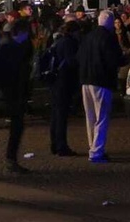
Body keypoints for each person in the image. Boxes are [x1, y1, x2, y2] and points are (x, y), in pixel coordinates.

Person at [77, 9, 125, 163]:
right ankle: (96, 152)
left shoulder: (88, 37)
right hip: (102, 81)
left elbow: (79, 57)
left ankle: (93, 146)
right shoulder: (108, 38)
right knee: (102, 117)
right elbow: (114, 59)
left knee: (90, 116)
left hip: (86, 80)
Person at [0, 18, 34, 173]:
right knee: (16, 126)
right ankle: (11, 159)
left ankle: (11, 158)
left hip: (14, 92)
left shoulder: (11, 47)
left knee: (17, 126)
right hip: (12, 93)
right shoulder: (9, 49)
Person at [48, 19, 81, 156]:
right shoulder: (69, 43)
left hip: (56, 81)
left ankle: (55, 144)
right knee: (61, 115)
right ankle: (61, 145)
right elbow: (71, 62)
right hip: (64, 81)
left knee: (56, 114)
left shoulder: (59, 41)